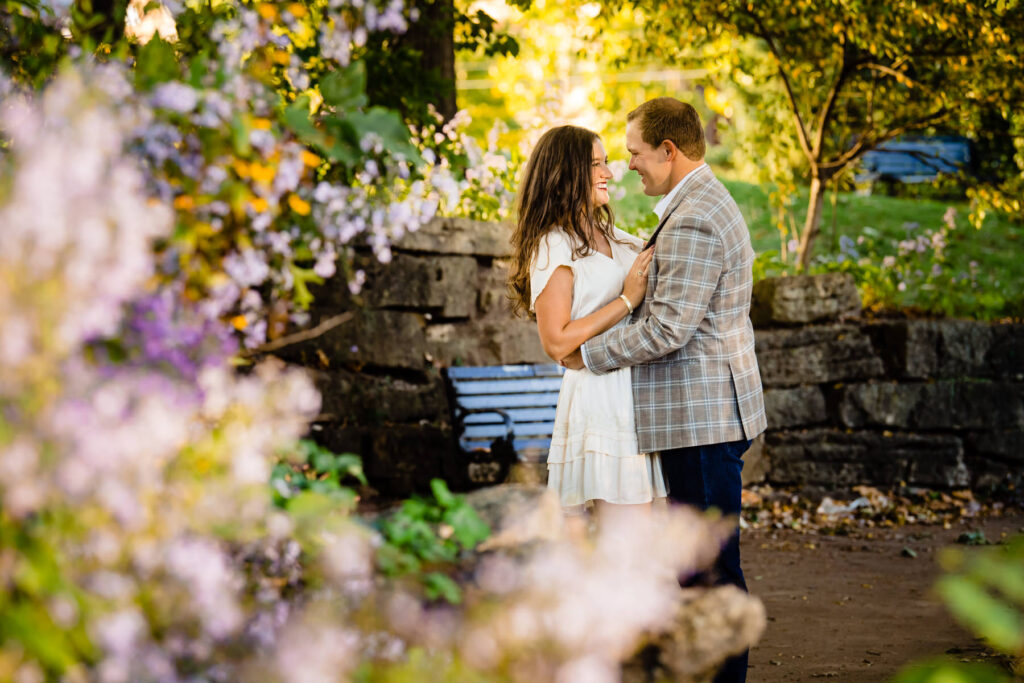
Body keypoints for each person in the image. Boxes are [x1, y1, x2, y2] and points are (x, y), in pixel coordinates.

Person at [560, 98, 767, 682]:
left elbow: (671, 328)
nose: (629, 166)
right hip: (703, 418)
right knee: (700, 567)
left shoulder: (697, 214)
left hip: (702, 422)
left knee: (709, 571)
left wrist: (588, 355)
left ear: (669, 151)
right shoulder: (694, 203)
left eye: (635, 154)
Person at [508, 124, 667, 525]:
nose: (609, 173)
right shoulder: (553, 244)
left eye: (606, 163)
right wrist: (626, 300)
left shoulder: (613, 236)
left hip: (634, 391)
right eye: (595, 164)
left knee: (644, 537)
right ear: (565, 172)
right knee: (625, 541)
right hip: (599, 397)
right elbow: (557, 342)